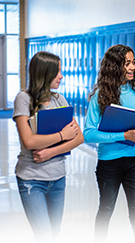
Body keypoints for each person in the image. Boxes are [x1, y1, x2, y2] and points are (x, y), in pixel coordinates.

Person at [13, 51, 84, 243]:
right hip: (31, 179)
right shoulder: (24, 99)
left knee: (53, 232)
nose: (61, 76)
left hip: (57, 178)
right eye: (57, 71)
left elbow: (78, 138)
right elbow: (29, 141)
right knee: (44, 237)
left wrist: (50, 151)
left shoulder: (60, 100)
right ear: (45, 73)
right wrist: (62, 136)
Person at [83, 44, 135, 243]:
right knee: (106, 210)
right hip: (109, 162)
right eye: (126, 63)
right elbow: (88, 134)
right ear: (114, 66)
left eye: (133, 63)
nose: (132, 68)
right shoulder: (100, 96)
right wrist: (123, 135)